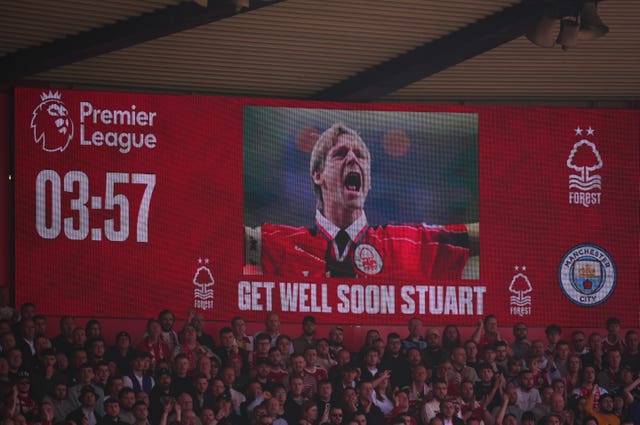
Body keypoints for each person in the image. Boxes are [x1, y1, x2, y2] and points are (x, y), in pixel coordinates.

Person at [244, 123, 479, 279]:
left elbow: (486, 237)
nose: (352, 159)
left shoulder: (403, 243)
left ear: (369, 181)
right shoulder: (283, 244)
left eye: (360, 156)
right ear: (318, 175)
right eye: (340, 154)